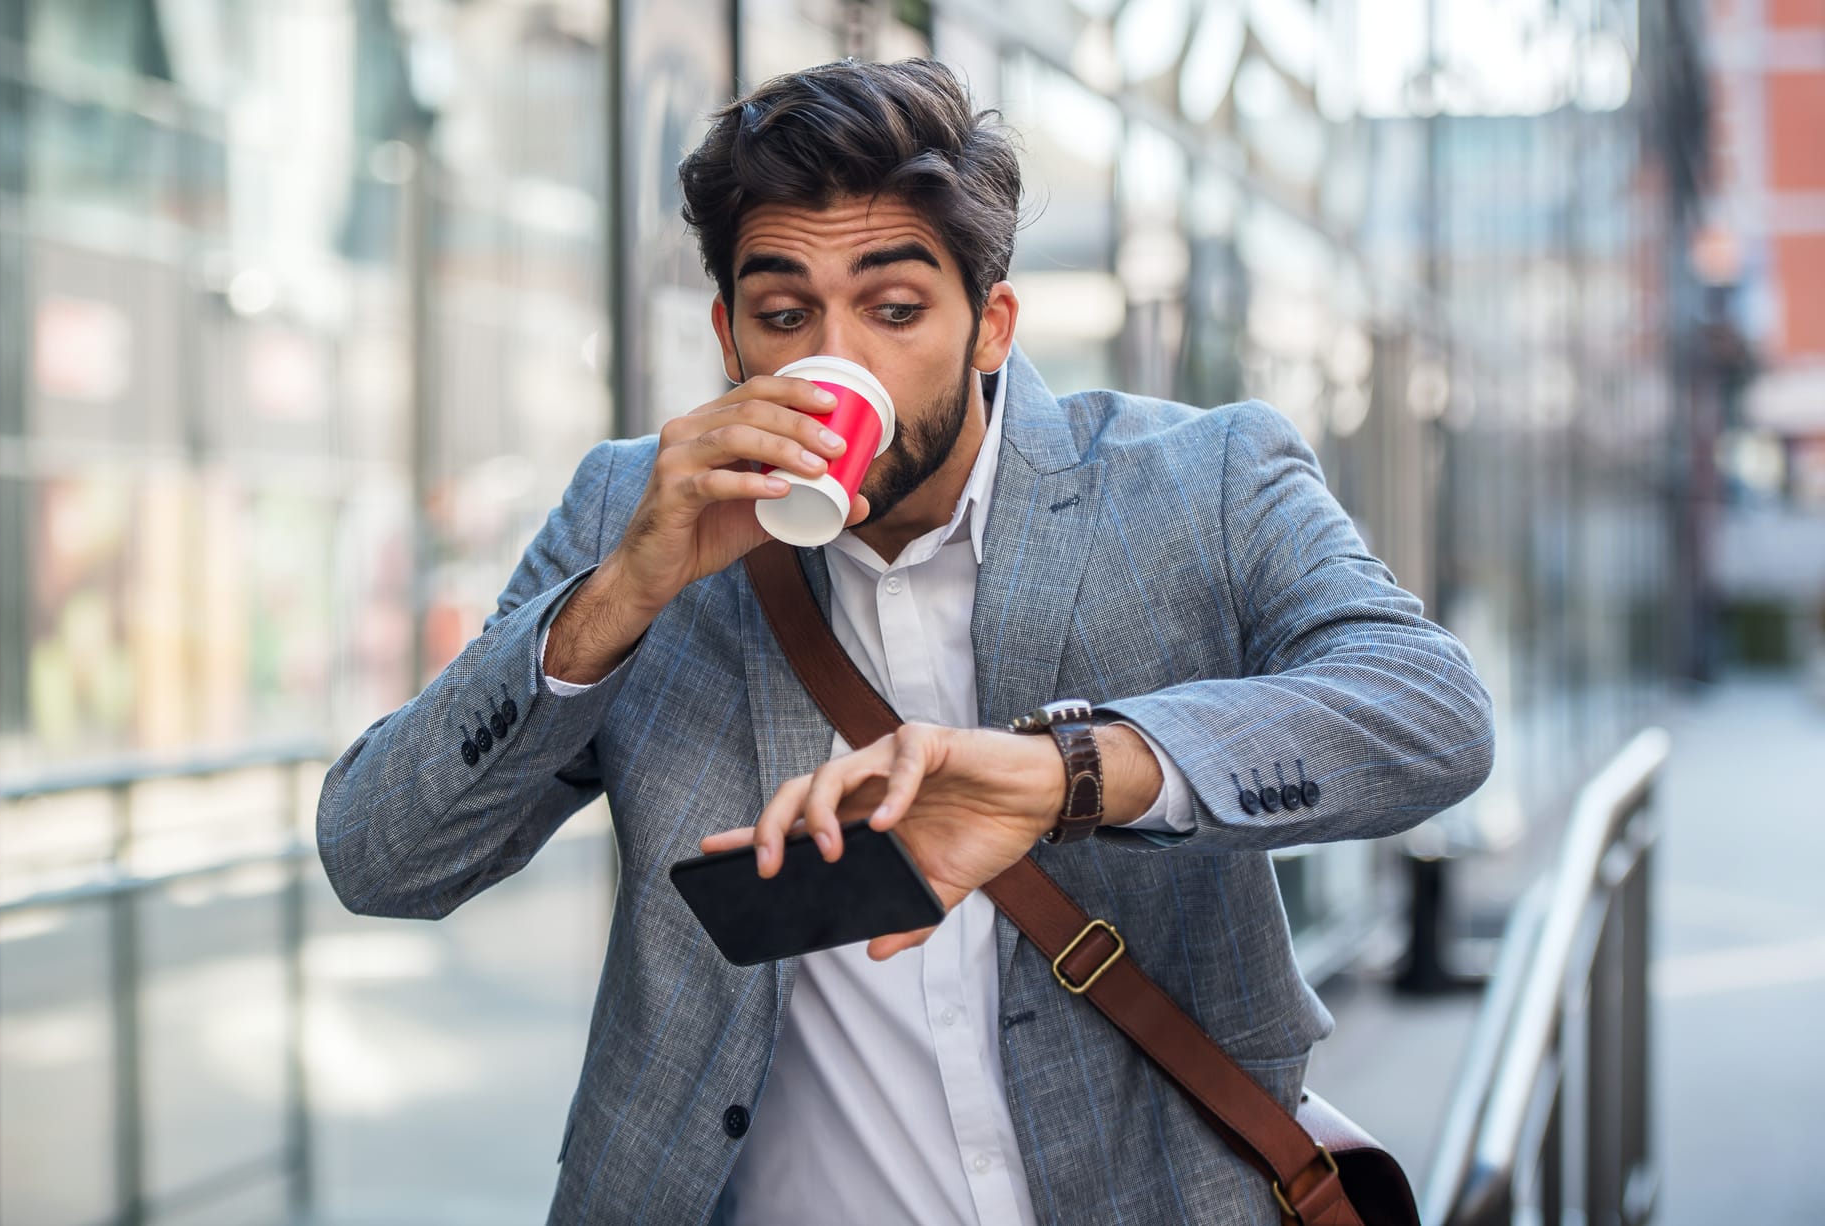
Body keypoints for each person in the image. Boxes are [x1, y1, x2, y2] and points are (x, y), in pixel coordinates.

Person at [316, 57, 1494, 1226]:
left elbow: (1428, 712)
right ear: (729, 337)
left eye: (893, 309)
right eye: (785, 316)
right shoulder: (632, 509)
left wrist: (1068, 772)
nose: (839, 357)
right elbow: (382, 856)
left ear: (990, 324)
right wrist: (622, 593)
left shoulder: (1197, 478)